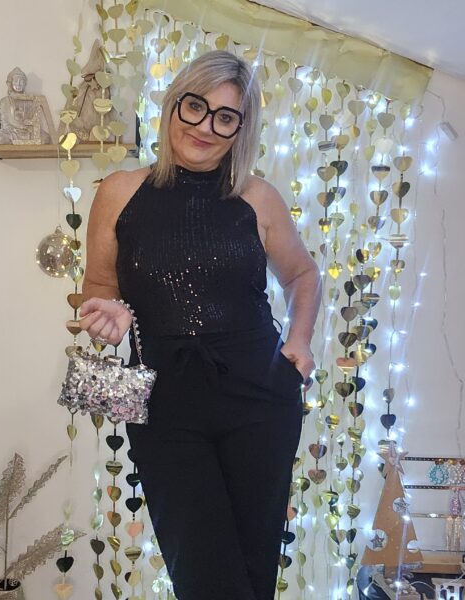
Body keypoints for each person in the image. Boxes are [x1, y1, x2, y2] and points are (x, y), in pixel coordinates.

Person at [78, 50, 321, 600]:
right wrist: (108, 312)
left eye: (225, 117)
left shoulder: (256, 197)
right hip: (163, 403)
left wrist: (300, 341)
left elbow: (303, 273)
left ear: (240, 129)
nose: (205, 127)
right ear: (174, 106)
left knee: (253, 573)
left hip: (260, 398)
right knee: (204, 576)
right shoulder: (119, 191)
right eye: (196, 107)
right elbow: (98, 285)